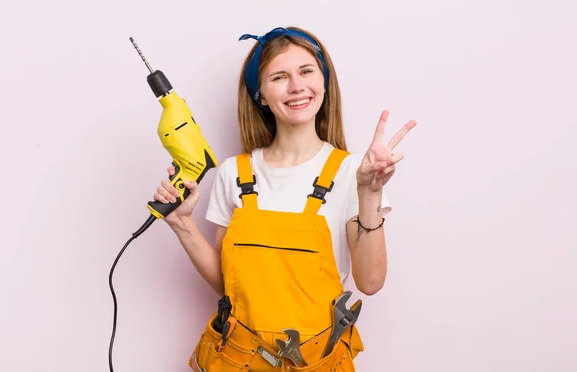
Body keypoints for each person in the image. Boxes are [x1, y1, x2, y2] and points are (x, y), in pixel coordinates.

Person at [153, 26, 415, 372]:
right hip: (235, 362)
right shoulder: (234, 173)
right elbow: (227, 283)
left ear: (324, 82)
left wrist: (369, 193)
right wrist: (182, 224)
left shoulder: (355, 171)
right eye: (279, 76)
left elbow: (369, 282)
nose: (296, 87)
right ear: (259, 94)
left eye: (306, 71)